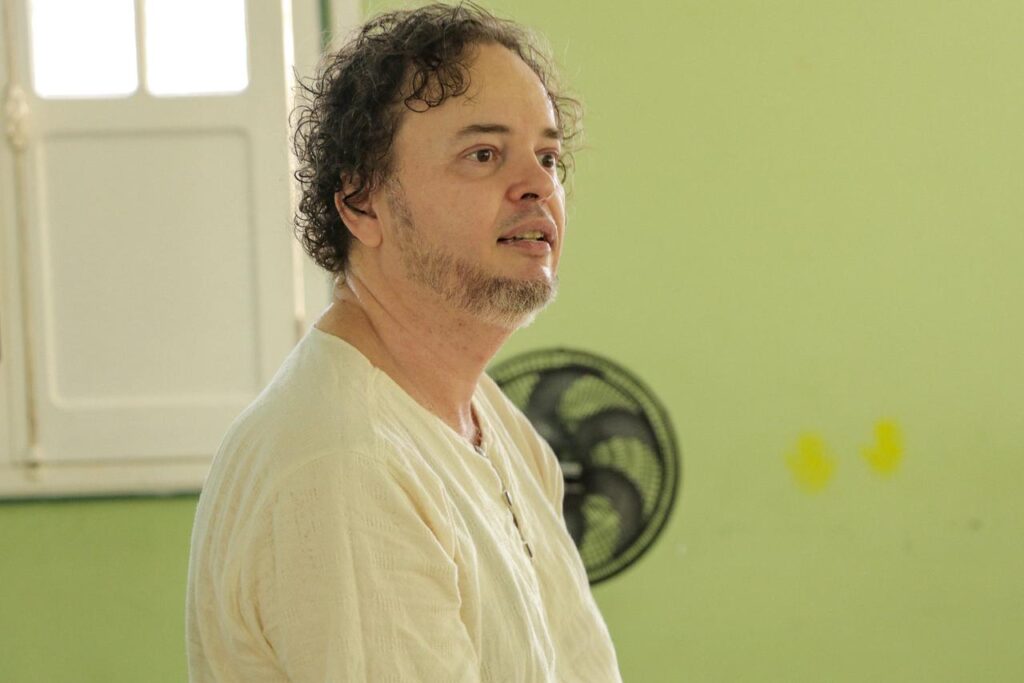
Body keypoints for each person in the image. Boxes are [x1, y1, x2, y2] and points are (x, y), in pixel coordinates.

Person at [186, 3, 621, 681]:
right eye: (483, 154)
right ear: (362, 203)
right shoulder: (346, 466)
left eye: (547, 156)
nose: (539, 186)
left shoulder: (489, 420)